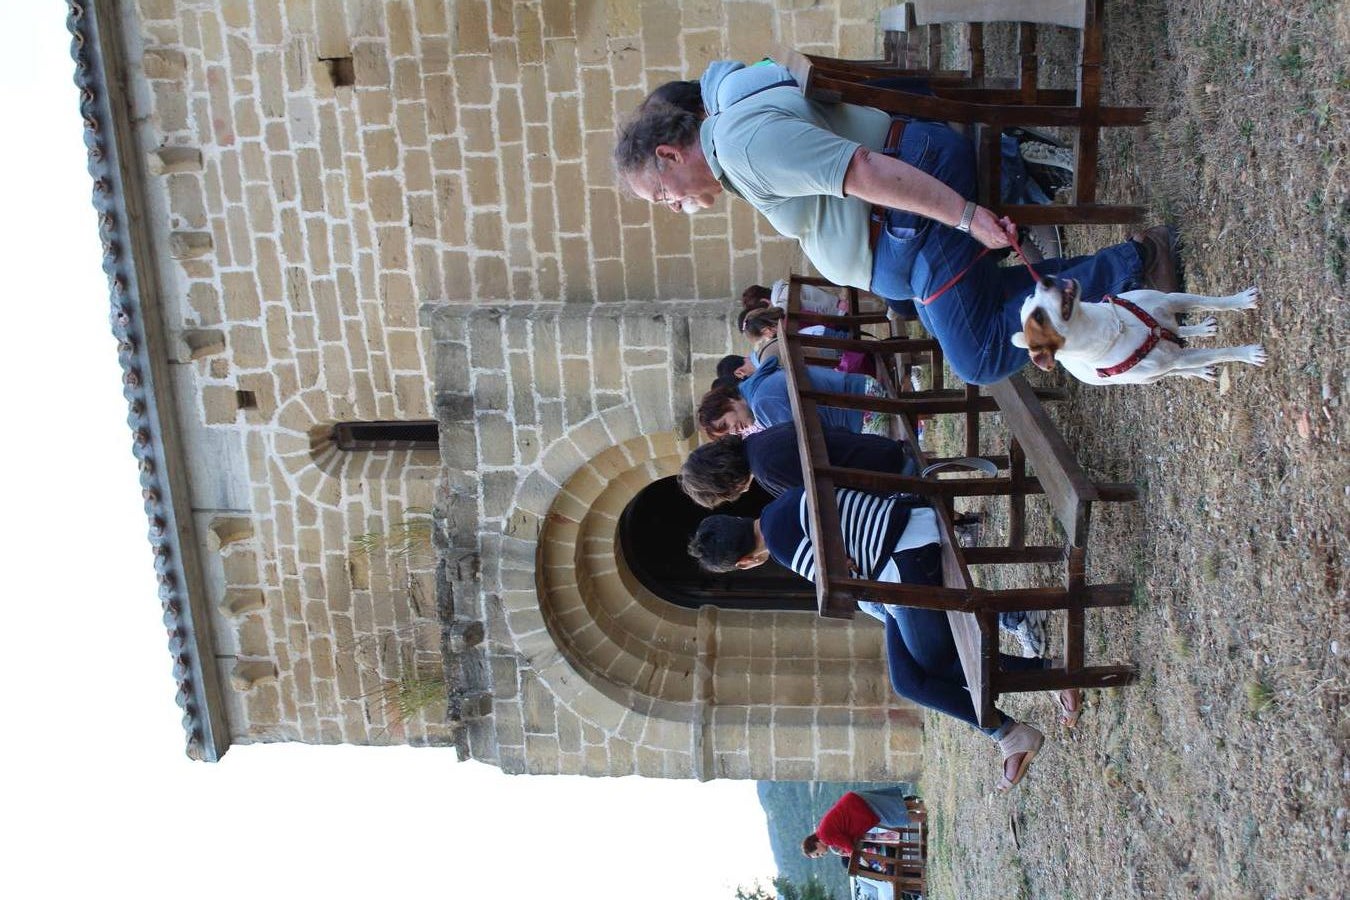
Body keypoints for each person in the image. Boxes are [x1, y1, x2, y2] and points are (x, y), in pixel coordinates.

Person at [613, 63, 1177, 386]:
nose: (669, 206)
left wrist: (965, 215)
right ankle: (1127, 270)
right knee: (991, 309)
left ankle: (1136, 264)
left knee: (979, 355)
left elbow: (863, 170)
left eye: (661, 194)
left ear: (669, 154)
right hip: (903, 232)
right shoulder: (731, 135)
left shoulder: (744, 149)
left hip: (911, 215)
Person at [688, 486, 1081, 790]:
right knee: (908, 680)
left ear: (744, 562)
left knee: (936, 661)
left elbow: (851, 582)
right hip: (904, 544)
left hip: (906, 558)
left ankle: (1040, 692)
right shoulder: (784, 502)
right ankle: (1017, 719)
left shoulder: (784, 546)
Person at [677, 423, 1048, 656]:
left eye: (725, 495)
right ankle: (1003, 619)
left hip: (896, 489)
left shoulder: (768, 470)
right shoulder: (763, 444)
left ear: (725, 484)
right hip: (888, 465)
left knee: (889, 608)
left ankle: (1009, 618)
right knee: (892, 608)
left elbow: (830, 518)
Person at [697, 356, 891, 437]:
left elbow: (806, 444)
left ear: (727, 401)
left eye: (725, 424)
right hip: (863, 389)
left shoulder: (762, 404)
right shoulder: (758, 382)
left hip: (866, 409)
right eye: (727, 433)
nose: (733, 431)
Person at [801, 787, 918, 859]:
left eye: (817, 854)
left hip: (860, 807)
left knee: (895, 818)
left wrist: (848, 853)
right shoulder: (823, 833)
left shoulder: (825, 837)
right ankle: (921, 806)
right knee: (895, 808)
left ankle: (924, 813)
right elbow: (845, 838)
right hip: (855, 802)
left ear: (816, 844)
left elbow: (847, 844)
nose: (820, 855)